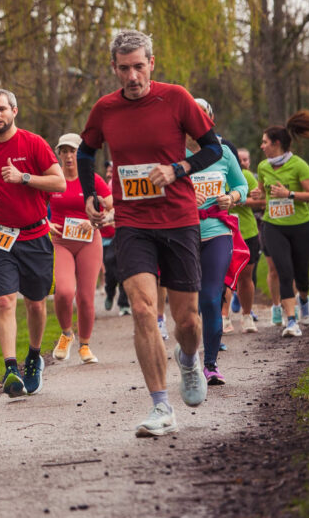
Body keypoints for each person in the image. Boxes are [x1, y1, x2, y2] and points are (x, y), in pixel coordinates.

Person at [77, 29, 221, 437]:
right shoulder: (105, 108)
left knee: (187, 320)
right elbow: (87, 151)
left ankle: (189, 360)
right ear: (115, 69)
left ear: (151, 64)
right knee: (142, 310)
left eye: (139, 66)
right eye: (124, 69)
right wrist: (91, 194)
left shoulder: (176, 98)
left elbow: (213, 147)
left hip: (178, 219)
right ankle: (161, 408)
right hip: (133, 223)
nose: (133, 76)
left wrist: (178, 169)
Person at [0, 89, 65, 397]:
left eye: (1, 109)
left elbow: (59, 182)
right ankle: (11, 368)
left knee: (36, 304)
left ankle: (34, 356)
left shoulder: (33, 143)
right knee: (3, 301)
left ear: (14, 111)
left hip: (35, 234)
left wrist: (24, 177)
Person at [186, 131, 248, 385]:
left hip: (217, 231)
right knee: (188, 307)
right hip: (183, 235)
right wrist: (185, 197)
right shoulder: (171, 153)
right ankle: (189, 357)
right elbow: (158, 189)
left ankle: (210, 364)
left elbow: (242, 185)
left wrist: (231, 197)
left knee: (211, 297)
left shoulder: (222, 152)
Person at [48, 133, 113, 364]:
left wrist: (98, 216)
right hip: (61, 241)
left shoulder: (92, 179)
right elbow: (34, 205)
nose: (68, 156)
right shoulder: (53, 178)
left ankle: (85, 345)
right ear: (58, 154)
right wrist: (45, 223)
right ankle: (66, 334)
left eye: (73, 151)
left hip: (88, 241)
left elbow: (111, 203)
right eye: (63, 151)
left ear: (80, 154)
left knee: (86, 297)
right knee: (64, 291)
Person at [250, 120, 309, 337]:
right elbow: (263, 194)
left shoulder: (299, 165)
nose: (261, 146)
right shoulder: (263, 167)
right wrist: (259, 196)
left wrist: (289, 195)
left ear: (276, 143)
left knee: (302, 275)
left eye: (264, 142)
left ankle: (304, 298)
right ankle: (291, 321)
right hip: (274, 226)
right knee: (285, 272)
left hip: (301, 225)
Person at [229, 147, 262, 333]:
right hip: (222, 231)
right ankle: (224, 318)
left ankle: (247, 316)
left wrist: (240, 200)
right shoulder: (215, 175)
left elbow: (262, 201)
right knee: (221, 277)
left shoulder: (246, 176)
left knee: (245, 277)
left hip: (247, 231)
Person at [101, 161, 131, 315]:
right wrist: (109, 219)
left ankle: (124, 304)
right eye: (108, 170)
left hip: (123, 234)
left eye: (112, 170)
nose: (109, 173)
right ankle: (110, 292)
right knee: (110, 270)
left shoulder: (127, 181)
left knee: (124, 269)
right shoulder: (107, 186)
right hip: (106, 236)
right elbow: (105, 209)